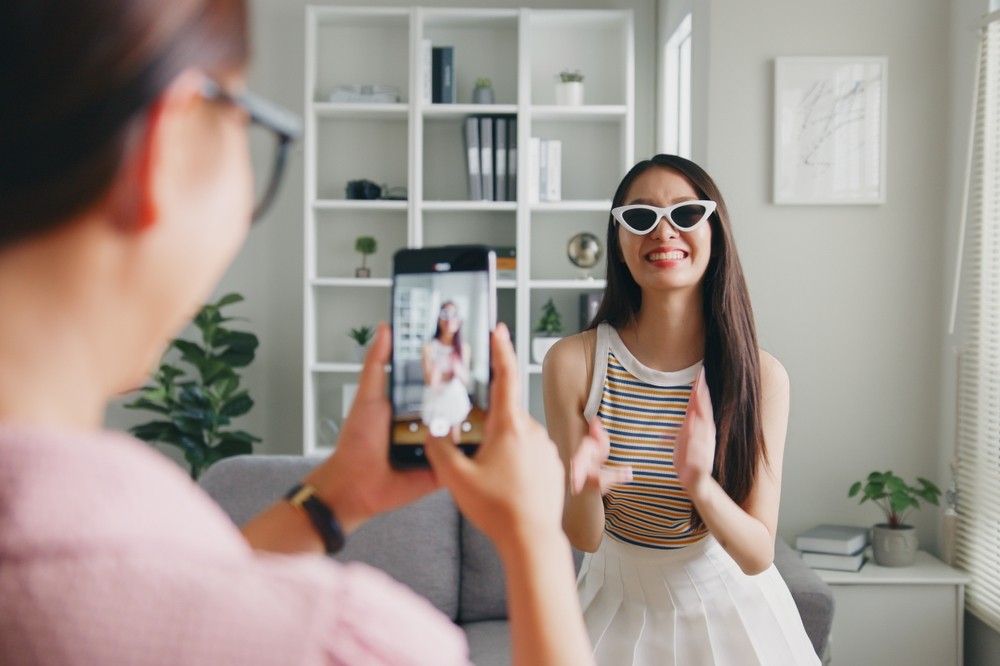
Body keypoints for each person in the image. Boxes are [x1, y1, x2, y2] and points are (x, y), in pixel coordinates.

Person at [0, 2, 594, 665]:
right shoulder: (343, 640)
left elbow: (198, 600)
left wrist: (335, 496)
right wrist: (535, 538)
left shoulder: (100, 566)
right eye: (249, 123)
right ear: (167, 147)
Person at [542, 154, 820, 665]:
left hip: (729, 608)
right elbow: (585, 535)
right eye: (641, 217)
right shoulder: (573, 362)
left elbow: (758, 554)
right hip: (612, 600)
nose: (663, 231)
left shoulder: (762, 377)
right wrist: (586, 484)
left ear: (715, 232)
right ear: (619, 241)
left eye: (686, 213)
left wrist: (699, 485)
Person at [421, 301, 473, 439]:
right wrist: (437, 373)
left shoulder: (464, 348)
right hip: (435, 398)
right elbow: (429, 381)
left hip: (455, 396)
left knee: (454, 437)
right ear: (439, 319)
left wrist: (457, 368)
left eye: (454, 315)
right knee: (435, 439)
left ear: (459, 320)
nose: (449, 319)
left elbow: (466, 380)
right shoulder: (429, 348)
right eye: (445, 314)